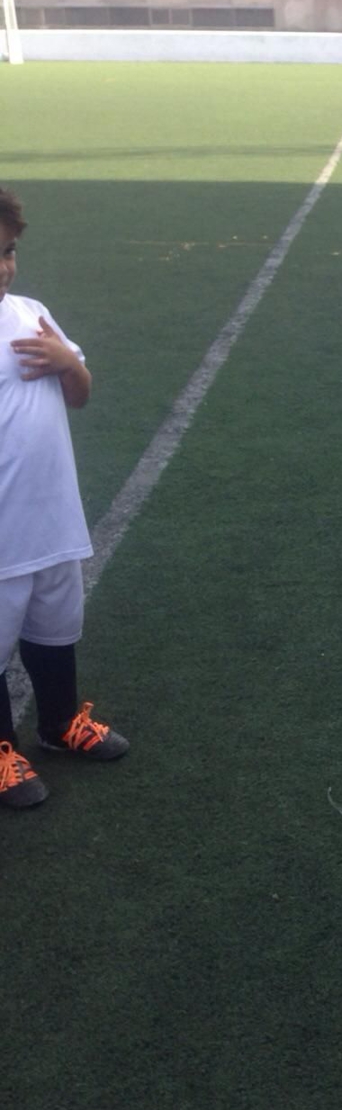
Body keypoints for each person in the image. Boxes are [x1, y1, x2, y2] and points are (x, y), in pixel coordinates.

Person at [0, 186, 128, 810]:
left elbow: (80, 395)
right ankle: (0, 753)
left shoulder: (29, 314)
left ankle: (58, 727)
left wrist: (65, 362)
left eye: (9, 252)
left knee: (54, 631)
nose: (4, 266)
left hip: (52, 521)